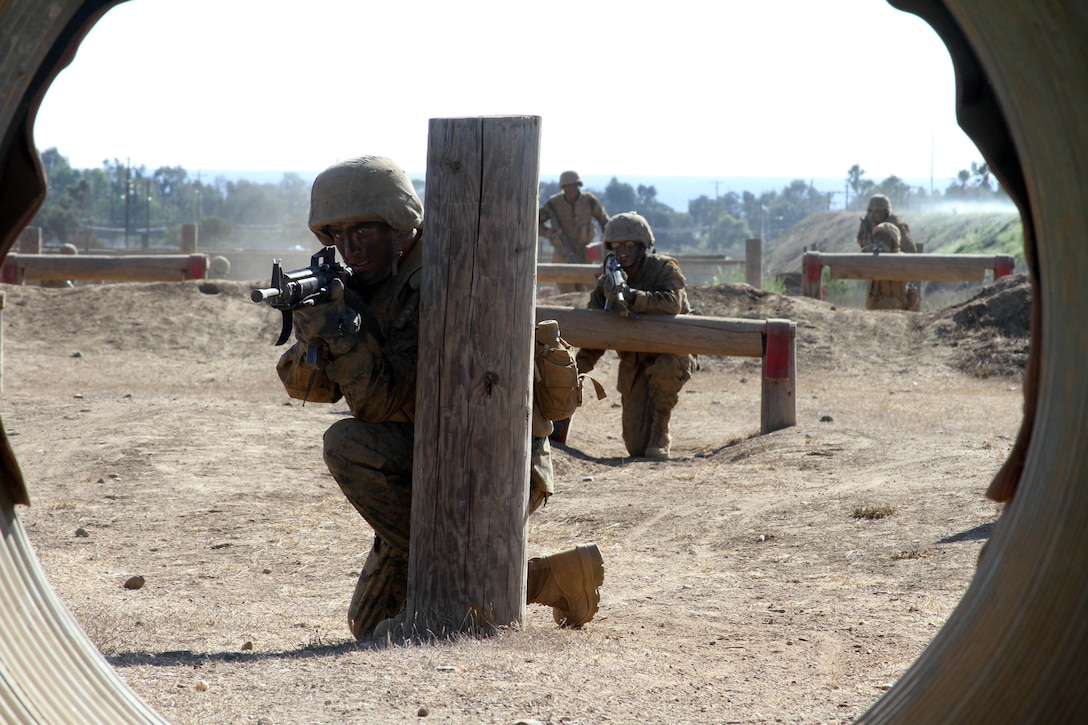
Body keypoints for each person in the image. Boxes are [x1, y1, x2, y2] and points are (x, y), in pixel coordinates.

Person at [275, 156, 603, 641]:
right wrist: (315, 329)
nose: (351, 245)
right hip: (429, 456)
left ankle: (472, 581)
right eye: (339, 235)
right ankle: (554, 578)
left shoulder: (436, 279)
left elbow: (379, 404)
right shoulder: (369, 282)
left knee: (347, 444)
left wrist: (343, 334)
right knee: (366, 627)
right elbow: (308, 387)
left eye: (363, 230)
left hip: (492, 463)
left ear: (398, 222)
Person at [574, 212, 696, 460]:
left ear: (642, 245)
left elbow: (672, 303)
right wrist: (577, 370)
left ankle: (661, 429)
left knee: (665, 370)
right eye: (616, 246)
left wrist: (632, 296)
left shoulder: (663, 268)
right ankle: (649, 432)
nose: (622, 252)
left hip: (671, 350)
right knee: (636, 448)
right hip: (634, 361)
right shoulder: (606, 282)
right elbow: (597, 332)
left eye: (629, 245)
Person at [538, 170, 610, 292]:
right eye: (567, 186)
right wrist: (550, 234)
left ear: (578, 186)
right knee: (567, 292)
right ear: (563, 187)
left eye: (573, 185)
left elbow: (605, 222)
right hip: (563, 254)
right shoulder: (554, 203)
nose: (570, 189)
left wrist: (608, 242)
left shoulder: (589, 201)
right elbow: (535, 221)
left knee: (590, 291)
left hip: (585, 253)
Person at [857, 194, 920, 310]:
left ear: (887, 212)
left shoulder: (897, 224)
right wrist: (869, 246)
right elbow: (861, 242)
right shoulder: (867, 223)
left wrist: (893, 249)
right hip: (875, 270)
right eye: (875, 211)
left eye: (881, 211)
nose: (878, 214)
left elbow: (910, 250)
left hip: (896, 269)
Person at [862, 222, 921, 311]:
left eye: (884, 238)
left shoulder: (903, 259)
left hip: (900, 308)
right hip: (876, 309)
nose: (880, 241)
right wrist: (868, 252)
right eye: (878, 237)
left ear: (893, 240)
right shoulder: (873, 257)